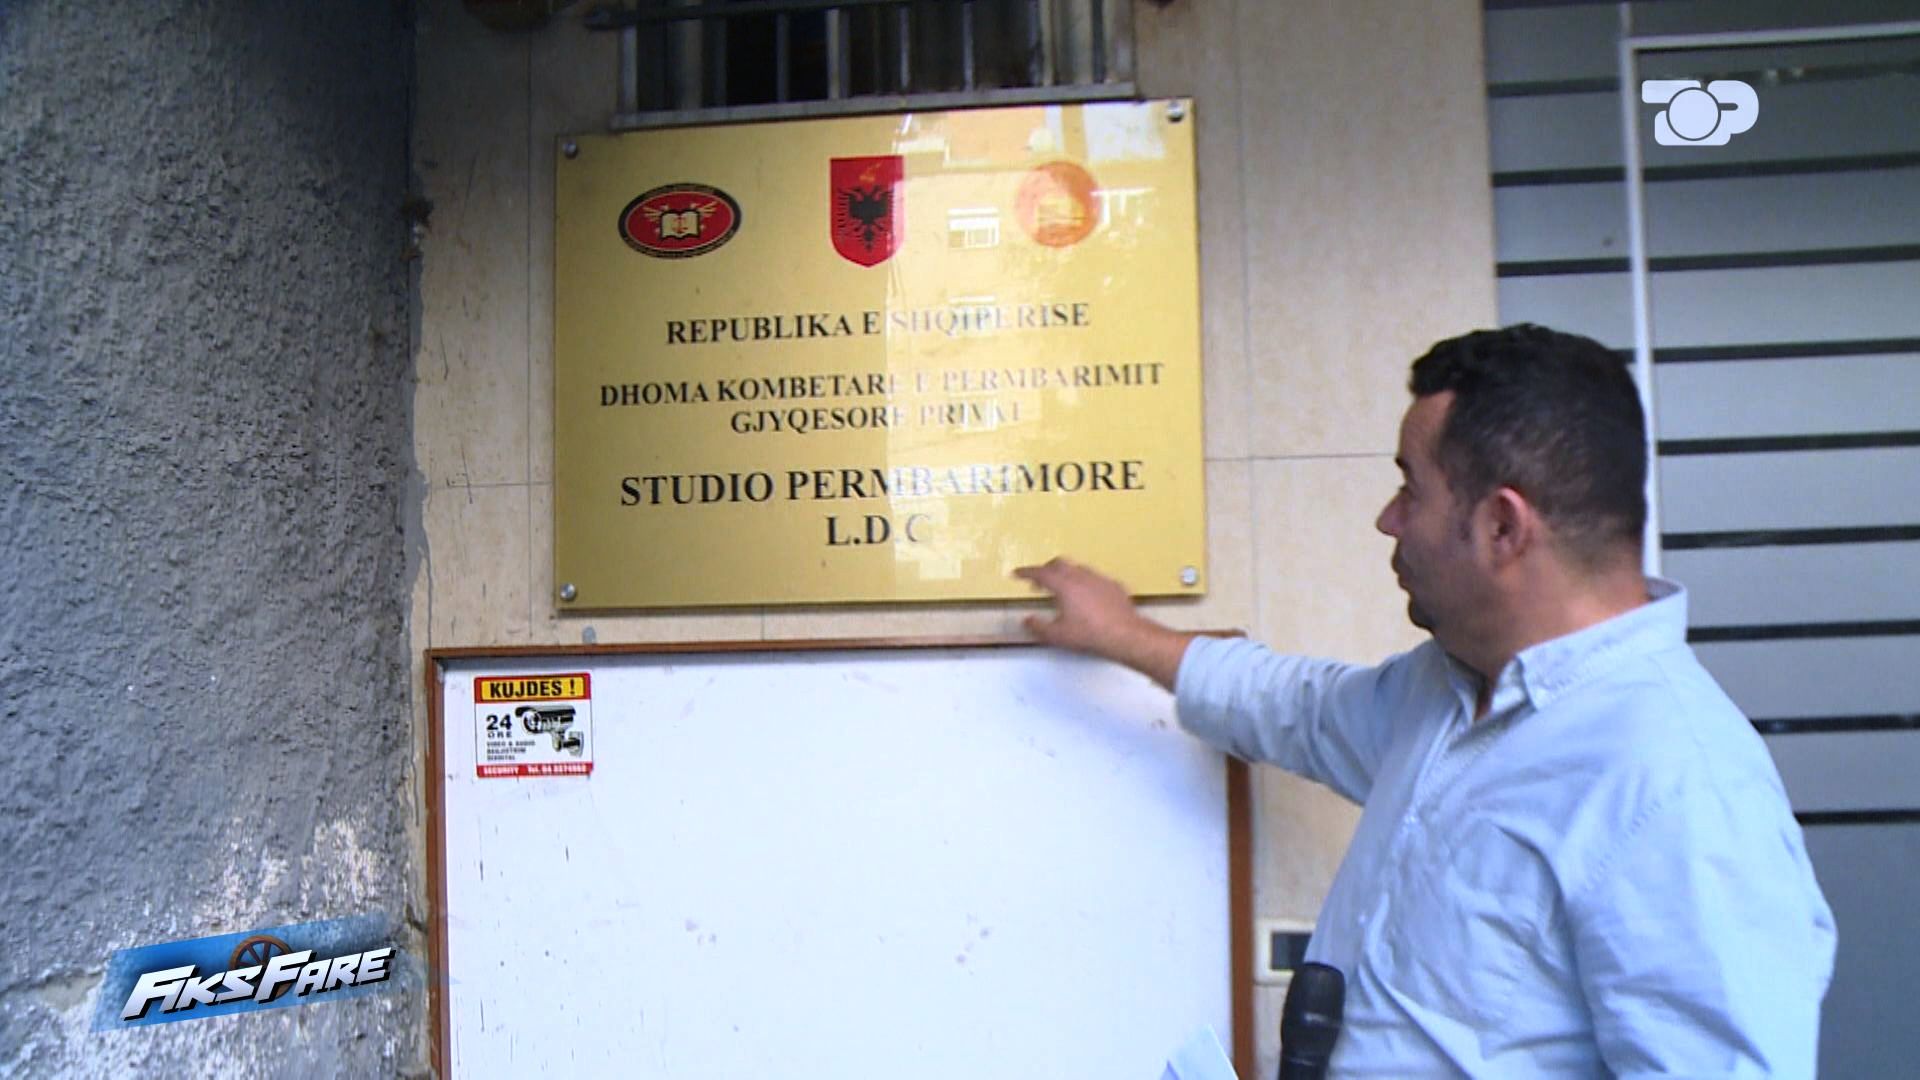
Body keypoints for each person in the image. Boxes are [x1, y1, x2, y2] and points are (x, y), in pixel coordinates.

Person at [1017, 325, 1835, 1077]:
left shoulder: (1677, 786)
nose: (1388, 520)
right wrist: (1123, 635)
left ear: (1503, 527)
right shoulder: (1444, 692)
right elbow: (1295, 706)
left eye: (1410, 489)